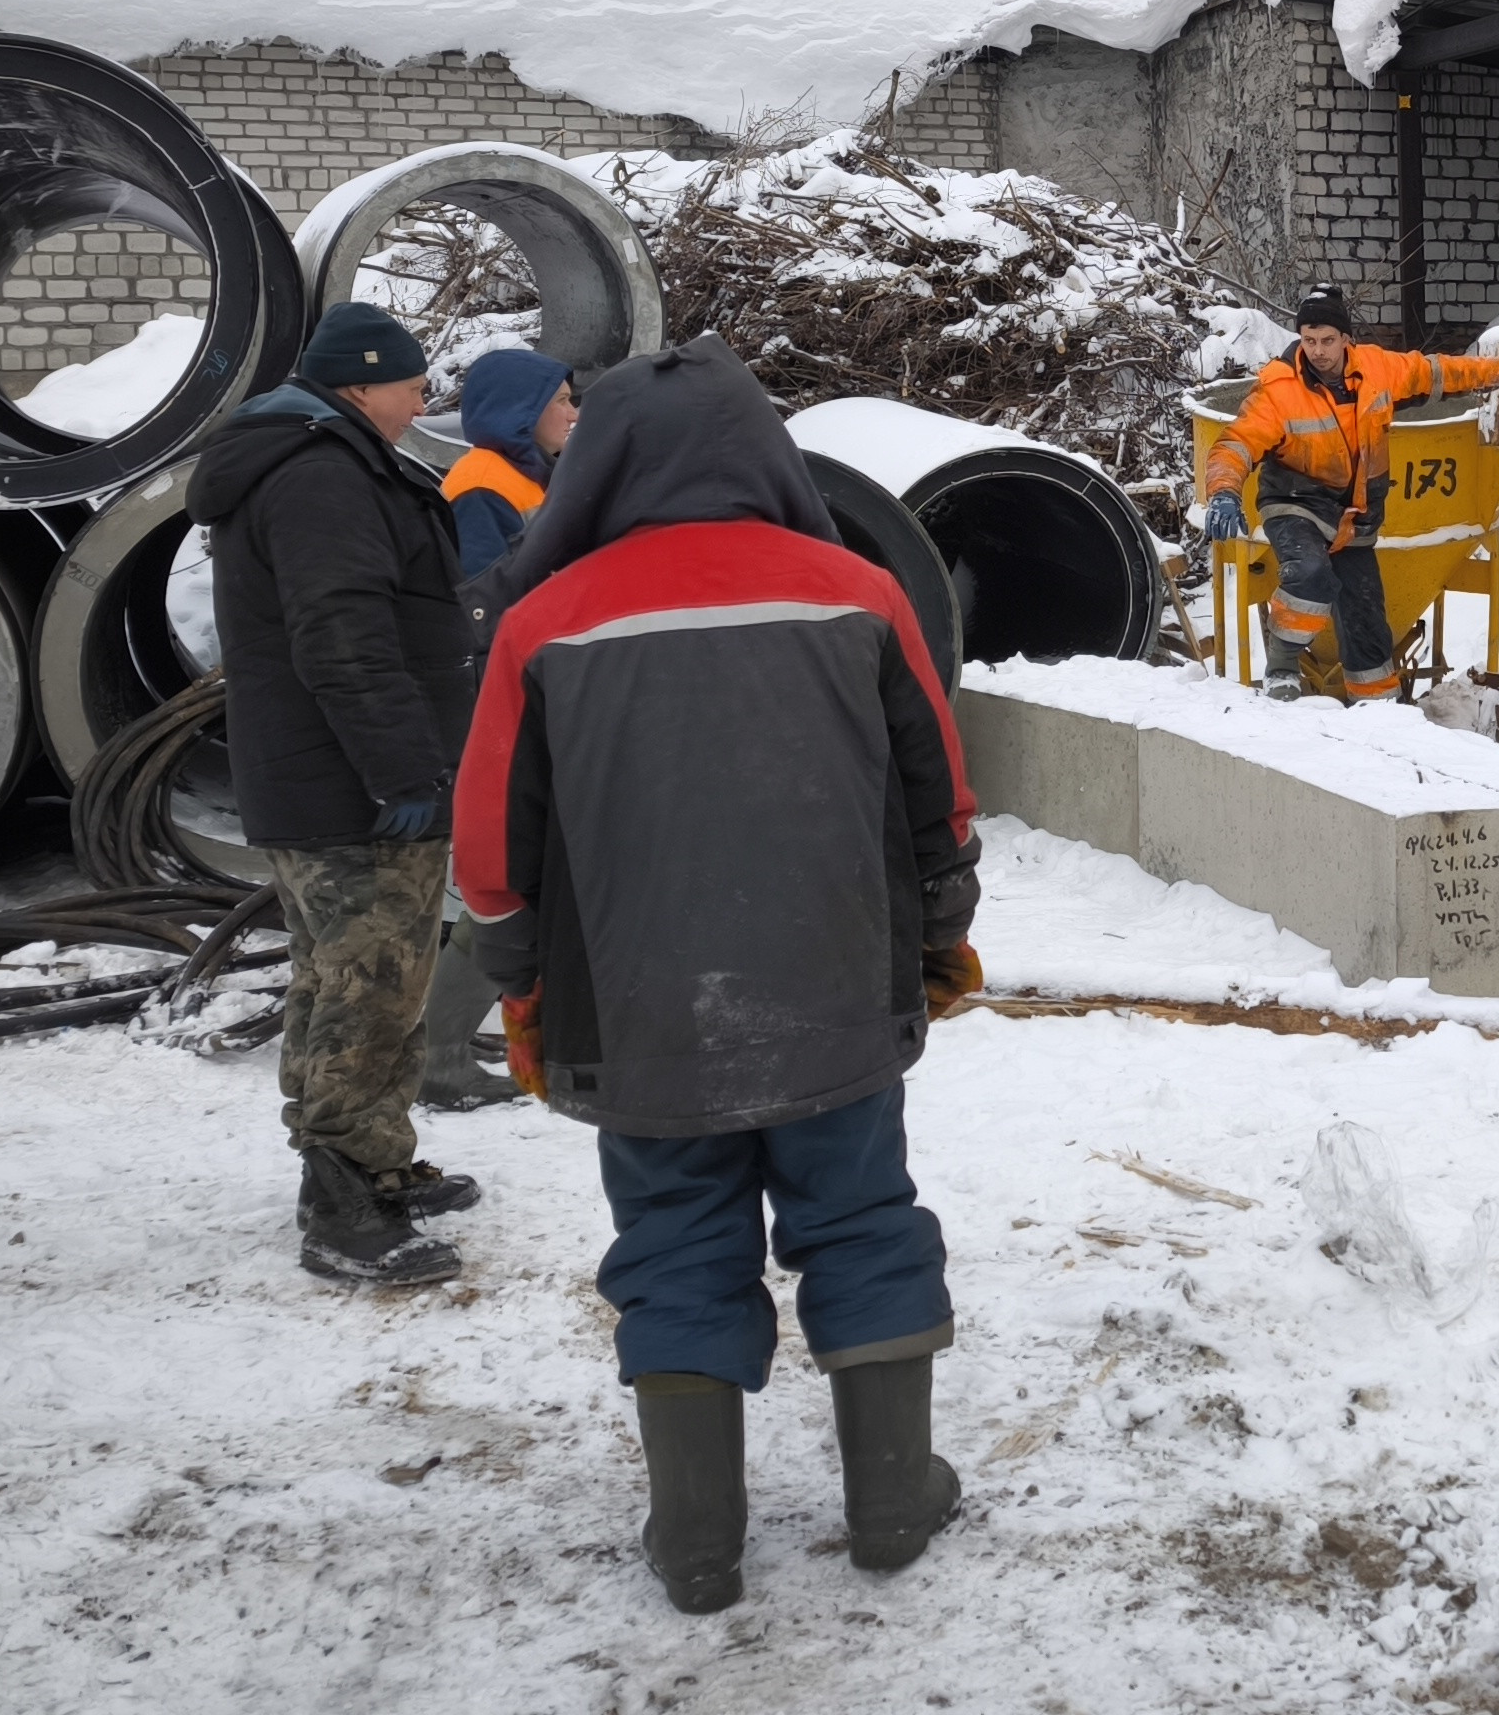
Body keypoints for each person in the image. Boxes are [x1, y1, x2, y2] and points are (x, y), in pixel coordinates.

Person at [453, 333, 983, 1617]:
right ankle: (891, 1500)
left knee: (675, 1243)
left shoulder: (543, 621)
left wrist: (520, 983)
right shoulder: (856, 590)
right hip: (838, 992)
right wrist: (939, 928)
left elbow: (488, 846)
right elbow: (941, 798)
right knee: (860, 1223)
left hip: (635, 1011)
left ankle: (696, 1540)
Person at [185, 299, 488, 1286]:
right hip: (351, 792)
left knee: (343, 984)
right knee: (369, 993)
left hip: (323, 781)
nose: (422, 400)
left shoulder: (316, 460)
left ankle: (370, 1162)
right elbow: (342, 635)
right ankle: (346, 1209)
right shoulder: (321, 477)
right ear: (360, 385)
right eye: (410, 385)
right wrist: (400, 771)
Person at [1200, 284, 1499, 701]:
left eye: (1328, 340)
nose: (1318, 351)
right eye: (1309, 341)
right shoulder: (1278, 389)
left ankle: (1379, 706)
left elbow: (1440, 372)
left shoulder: (1378, 370)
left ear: (1347, 339)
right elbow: (1234, 444)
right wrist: (1223, 491)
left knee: (1366, 618)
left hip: (1354, 516)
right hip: (1295, 505)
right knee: (1308, 575)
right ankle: (1281, 670)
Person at [443, 348, 577, 578]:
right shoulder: (481, 487)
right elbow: (484, 601)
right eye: (562, 401)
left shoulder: (531, 472)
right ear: (522, 409)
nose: (573, 414)